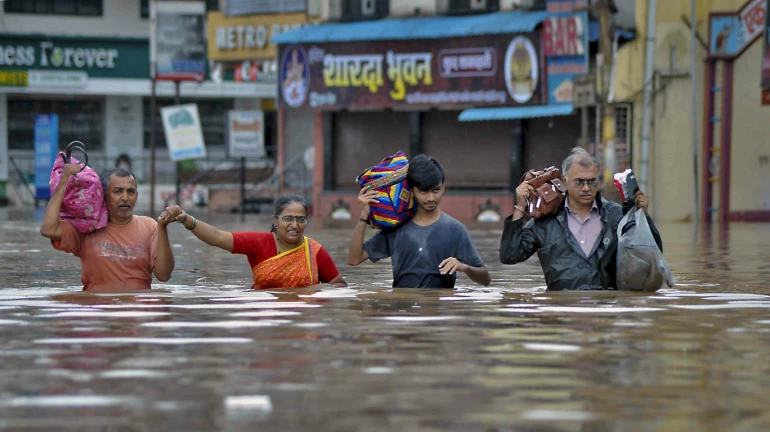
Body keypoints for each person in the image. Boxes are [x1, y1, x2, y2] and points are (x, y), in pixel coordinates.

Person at [499, 147, 662, 291]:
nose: (586, 188)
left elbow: (653, 255)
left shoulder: (617, 216)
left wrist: (642, 217)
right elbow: (510, 256)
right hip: (561, 313)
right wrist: (520, 207)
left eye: (591, 182)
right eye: (579, 182)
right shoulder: (545, 221)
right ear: (565, 181)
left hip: (606, 310)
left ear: (598, 181)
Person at [347, 154, 491, 288]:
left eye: (436, 190)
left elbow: (485, 279)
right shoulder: (396, 227)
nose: (430, 198)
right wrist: (364, 216)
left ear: (443, 187)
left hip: (441, 310)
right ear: (412, 190)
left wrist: (464, 267)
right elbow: (354, 259)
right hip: (403, 310)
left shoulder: (455, 229)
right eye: (423, 191)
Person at [160, 195, 347, 289]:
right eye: (288, 218)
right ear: (275, 220)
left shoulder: (314, 251)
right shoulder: (259, 243)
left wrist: (315, 291)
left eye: (301, 219)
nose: (295, 225)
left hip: (304, 322)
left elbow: (339, 286)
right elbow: (217, 237)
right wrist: (186, 220)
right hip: (265, 318)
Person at [40, 166, 175, 291]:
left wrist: (163, 227)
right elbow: (48, 229)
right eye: (118, 191)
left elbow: (163, 275)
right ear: (103, 195)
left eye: (131, 192)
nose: (125, 197)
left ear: (136, 196)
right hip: (97, 311)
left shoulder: (150, 226)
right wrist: (63, 182)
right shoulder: (88, 228)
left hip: (138, 311)